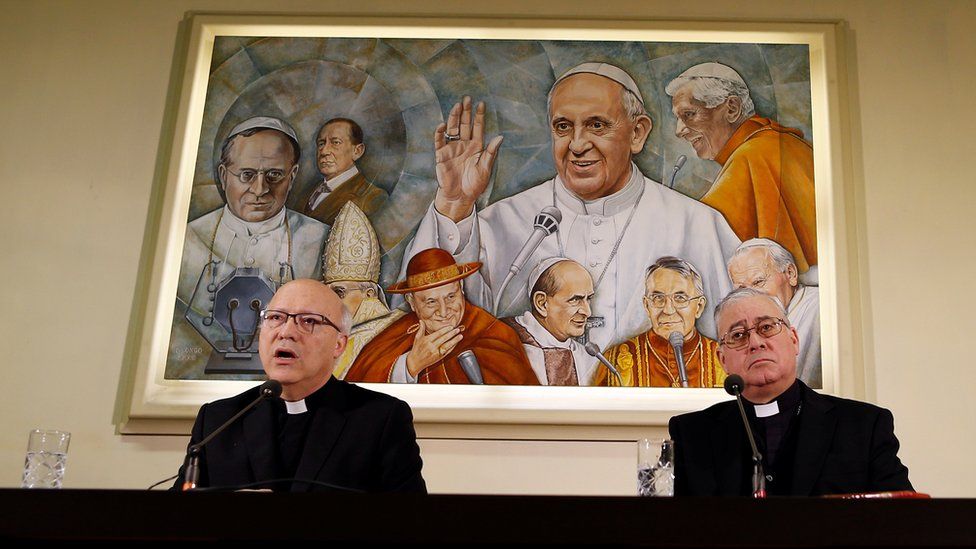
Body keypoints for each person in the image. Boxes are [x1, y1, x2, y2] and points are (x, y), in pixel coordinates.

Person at [402, 62, 740, 350]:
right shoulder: (504, 220)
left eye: (597, 125)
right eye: (563, 127)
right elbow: (423, 317)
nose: (577, 144)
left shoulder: (696, 225)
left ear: (637, 133)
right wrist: (455, 205)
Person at [173, 279, 426, 492]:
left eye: (308, 321)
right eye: (275, 318)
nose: (286, 332)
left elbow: (411, 525)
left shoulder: (380, 418)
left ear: (339, 345)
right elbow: (178, 521)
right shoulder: (219, 420)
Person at [668, 288, 912, 496]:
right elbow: (663, 525)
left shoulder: (864, 426)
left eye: (766, 327)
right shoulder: (691, 435)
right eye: (738, 335)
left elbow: (903, 520)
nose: (755, 343)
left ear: (794, 340)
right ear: (723, 360)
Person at [173, 116, 329, 378]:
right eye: (246, 175)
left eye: (274, 175)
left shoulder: (320, 238)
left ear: (292, 177)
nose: (260, 189)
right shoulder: (187, 238)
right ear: (224, 176)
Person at [666, 62, 817, 277]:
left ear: (731, 108)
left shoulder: (753, 153)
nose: (679, 130)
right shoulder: (781, 143)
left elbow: (702, 234)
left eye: (689, 114)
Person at [344, 248, 538, 385]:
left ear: (461, 289)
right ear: (412, 302)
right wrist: (411, 365)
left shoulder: (494, 334)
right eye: (430, 302)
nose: (444, 312)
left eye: (451, 297)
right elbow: (356, 393)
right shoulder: (397, 333)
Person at [597, 256, 725, 387]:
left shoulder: (723, 359)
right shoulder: (614, 361)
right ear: (647, 306)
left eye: (680, 298)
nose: (668, 310)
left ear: (699, 307)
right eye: (658, 298)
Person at [323, 202, 405, 379]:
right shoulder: (336, 333)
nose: (331, 302)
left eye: (339, 292)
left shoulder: (393, 332)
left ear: (370, 294)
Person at [727, 238, 820, 388]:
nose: (752, 296)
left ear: (790, 274)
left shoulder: (818, 308)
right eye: (742, 289)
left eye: (758, 282)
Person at [501, 257, 601, 385]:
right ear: (542, 303)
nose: (587, 312)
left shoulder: (586, 357)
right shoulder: (504, 343)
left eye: (589, 299)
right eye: (575, 300)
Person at [296, 117, 388, 226]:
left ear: (357, 151)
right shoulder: (307, 192)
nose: (324, 151)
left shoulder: (373, 197)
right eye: (321, 143)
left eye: (336, 142)